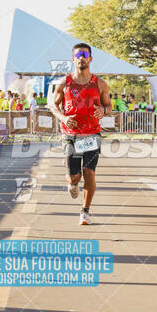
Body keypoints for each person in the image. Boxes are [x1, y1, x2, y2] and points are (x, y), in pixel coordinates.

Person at [50, 43, 112, 225]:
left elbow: (109, 105)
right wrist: (62, 117)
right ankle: (72, 182)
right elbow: (53, 105)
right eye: (78, 55)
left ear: (90, 59)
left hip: (92, 134)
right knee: (74, 177)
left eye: (85, 54)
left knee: (89, 173)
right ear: (73, 59)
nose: (82, 58)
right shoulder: (64, 83)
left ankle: (85, 211)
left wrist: (104, 110)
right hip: (71, 134)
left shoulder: (100, 84)